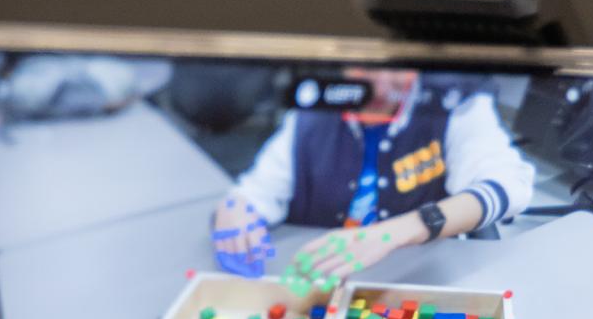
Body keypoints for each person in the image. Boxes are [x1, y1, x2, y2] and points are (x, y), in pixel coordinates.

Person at [212, 67, 534, 282]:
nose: (380, 85)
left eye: (393, 67)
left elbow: (510, 184)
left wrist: (396, 232)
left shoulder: (455, 102)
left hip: (413, 280)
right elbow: (255, 194)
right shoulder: (314, 111)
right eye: (364, 68)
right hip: (321, 285)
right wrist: (237, 210)